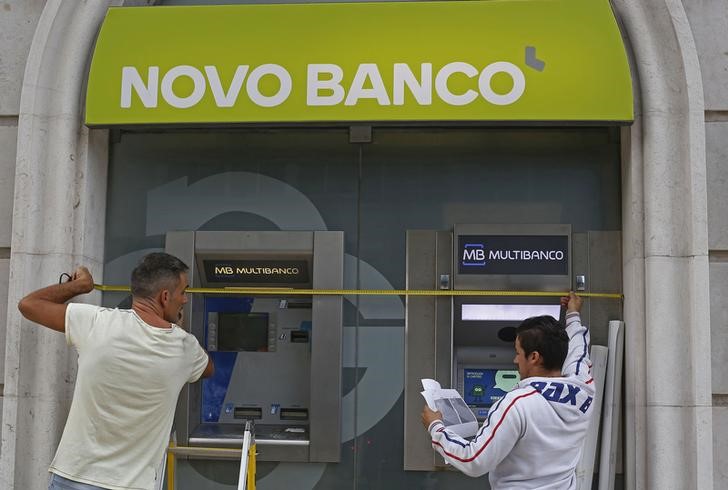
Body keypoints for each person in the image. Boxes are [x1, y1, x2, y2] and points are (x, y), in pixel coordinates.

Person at [18, 252, 214, 490]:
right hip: (130, 485)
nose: (184, 300)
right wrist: (175, 328)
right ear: (165, 296)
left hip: (73, 478)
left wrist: (80, 286)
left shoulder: (95, 322)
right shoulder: (184, 348)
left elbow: (28, 305)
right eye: (183, 292)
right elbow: (208, 369)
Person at [421, 292, 594, 489]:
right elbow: (579, 351)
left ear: (534, 357)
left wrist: (435, 426)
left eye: (518, 353)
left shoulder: (517, 404)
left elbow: (473, 460)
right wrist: (573, 314)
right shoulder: (583, 389)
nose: (514, 360)